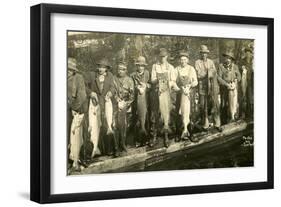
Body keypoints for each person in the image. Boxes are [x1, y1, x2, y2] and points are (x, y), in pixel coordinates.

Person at [88, 58, 118, 156]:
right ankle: (98, 149)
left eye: (103, 67)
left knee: (108, 125)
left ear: (107, 69)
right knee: (97, 126)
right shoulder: (92, 75)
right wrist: (91, 93)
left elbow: (113, 88)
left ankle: (112, 149)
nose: (101, 69)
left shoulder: (110, 76)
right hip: (96, 105)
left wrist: (110, 92)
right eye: (100, 66)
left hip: (107, 104)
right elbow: (84, 87)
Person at [151, 48, 179, 147]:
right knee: (155, 115)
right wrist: (158, 80)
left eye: (164, 56)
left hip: (167, 92)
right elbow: (152, 79)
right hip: (157, 92)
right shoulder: (155, 66)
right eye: (161, 56)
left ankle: (166, 134)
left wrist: (168, 84)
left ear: (167, 56)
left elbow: (173, 80)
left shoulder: (170, 67)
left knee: (167, 112)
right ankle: (154, 136)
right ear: (159, 56)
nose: (162, 58)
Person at [67, 57, 88, 171]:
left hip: (75, 112)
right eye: (67, 69)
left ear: (74, 70)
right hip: (64, 111)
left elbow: (82, 95)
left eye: (70, 69)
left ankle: (80, 159)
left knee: (79, 137)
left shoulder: (78, 78)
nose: (68, 71)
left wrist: (74, 108)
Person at [195, 45, 222, 132]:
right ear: (200, 54)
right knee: (203, 106)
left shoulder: (211, 62)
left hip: (212, 87)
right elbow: (199, 75)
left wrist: (208, 73)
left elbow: (214, 72)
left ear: (207, 54)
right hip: (202, 87)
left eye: (205, 53)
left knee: (215, 104)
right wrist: (207, 72)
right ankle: (205, 124)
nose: (204, 55)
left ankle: (217, 124)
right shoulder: (197, 62)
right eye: (202, 53)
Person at [175, 51, 198, 142]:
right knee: (179, 113)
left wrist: (189, 86)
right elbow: (172, 82)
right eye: (181, 60)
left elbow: (195, 81)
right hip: (180, 94)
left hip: (189, 94)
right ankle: (179, 133)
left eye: (184, 59)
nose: (183, 61)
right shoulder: (176, 69)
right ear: (179, 61)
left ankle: (191, 133)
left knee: (191, 113)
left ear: (187, 60)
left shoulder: (191, 69)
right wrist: (180, 89)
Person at [114, 61, 135, 153]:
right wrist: (117, 99)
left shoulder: (129, 80)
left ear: (126, 70)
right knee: (116, 126)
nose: (120, 71)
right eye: (119, 69)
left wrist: (127, 103)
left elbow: (132, 94)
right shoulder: (114, 79)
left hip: (126, 105)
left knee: (125, 125)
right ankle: (116, 147)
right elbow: (112, 91)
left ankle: (123, 144)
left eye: (123, 69)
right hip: (116, 105)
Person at [130, 56, 151, 147]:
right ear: (136, 66)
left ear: (144, 66)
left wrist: (146, 85)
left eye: (142, 66)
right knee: (136, 120)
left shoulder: (147, 73)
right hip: (136, 101)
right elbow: (130, 87)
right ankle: (137, 140)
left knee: (146, 119)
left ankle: (146, 139)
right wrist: (136, 88)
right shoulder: (132, 75)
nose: (140, 67)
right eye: (138, 66)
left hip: (146, 100)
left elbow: (151, 85)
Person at [218, 51, 241, 123]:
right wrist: (226, 84)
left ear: (231, 59)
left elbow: (239, 76)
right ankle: (224, 121)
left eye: (229, 58)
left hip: (233, 87)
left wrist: (235, 82)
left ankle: (234, 118)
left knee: (234, 103)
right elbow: (219, 78)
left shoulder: (235, 66)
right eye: (226, 58)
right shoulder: (221, 66)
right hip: (225, 88)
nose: (227, 60)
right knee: (224, 104)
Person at [240, 46, 254, 120]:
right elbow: (240, 70)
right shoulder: (242, 61)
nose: (248, 54)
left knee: (251, 98)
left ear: (251, 54)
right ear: (245, 53)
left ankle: (252, 113)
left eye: (249, 53)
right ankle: (246, 114)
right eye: (246, 53)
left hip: (252, 82)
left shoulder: (253, 61)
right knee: (246, 97)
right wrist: (241, 68)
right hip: (245, 82)